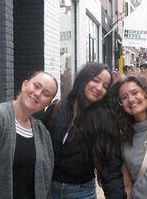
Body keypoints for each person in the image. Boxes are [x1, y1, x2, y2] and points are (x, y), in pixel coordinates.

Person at [0, 71, 58, 199]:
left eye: (46, 94)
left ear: (47, 104)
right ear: (24, 85)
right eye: (36, 86)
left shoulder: (43, 134)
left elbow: (46, 186)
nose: (38, 94)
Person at [40, 62, 126, 199]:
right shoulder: (57, 108)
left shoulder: (105, 120)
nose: (99, 88)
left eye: (105, 86)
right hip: (48, 188)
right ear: (84, 78)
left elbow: (111, 168)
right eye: (96, 80)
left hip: (81, 192)